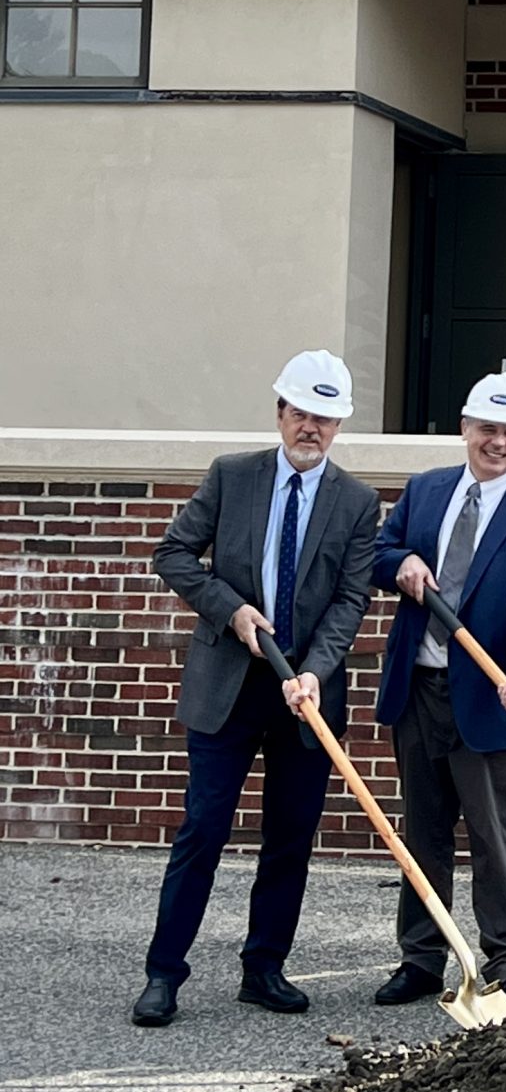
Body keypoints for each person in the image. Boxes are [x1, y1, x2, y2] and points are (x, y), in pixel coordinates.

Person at [133, 351, 378, 1027]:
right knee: (203, 829)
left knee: (290, 836)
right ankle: (163, 974)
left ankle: (264, 967)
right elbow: (173, 554)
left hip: (304, 694)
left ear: (338, 426)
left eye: (325, 419)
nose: (312, 428)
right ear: (280, 413)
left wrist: (315, 671)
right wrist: (229, 609)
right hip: (228, 686)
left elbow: (351, 600)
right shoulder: (231, 476)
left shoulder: (357, 503)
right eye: (301, 413)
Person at [371, 373, 506, 1011]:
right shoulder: (426, 491)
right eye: (488, 428)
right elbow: (379, 552)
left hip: (495, 696)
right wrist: (399, 562)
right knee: (423, 831)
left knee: (497, 836)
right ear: (465, 428)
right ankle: (421, 958)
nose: (499, 442)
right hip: (421, 688)